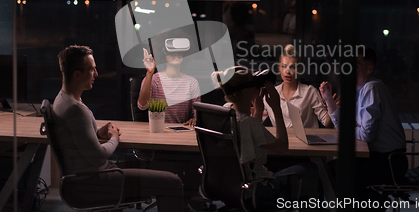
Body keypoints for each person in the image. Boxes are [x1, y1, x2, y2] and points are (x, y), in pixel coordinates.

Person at [52, 45, 183, 212]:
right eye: (92, 70)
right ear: (77, 74)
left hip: (88, 178)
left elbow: (78, 141)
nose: (96, 74)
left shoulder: (62, 100)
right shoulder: (76, 110)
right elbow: (99, 155)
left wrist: (98, 133)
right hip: (95, 182)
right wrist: (114, 137)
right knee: (173, 182)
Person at [213, 66, 323, 210]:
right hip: (258, 189)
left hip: (233, 185)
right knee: (312, 169)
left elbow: (250, 135)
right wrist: (277, 109)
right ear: (246, 90)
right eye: (253, 81)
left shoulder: (226, 111)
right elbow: (283, 146)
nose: (257, 84)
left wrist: (257, 110)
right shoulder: (248, 123)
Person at [319, 46, 407, 211]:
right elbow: (348, 129)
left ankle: (376, 204)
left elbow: (365, 135)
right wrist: (328, 100)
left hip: (390, 162)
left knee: (338, 175)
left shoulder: (372, 88)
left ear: (369, 69)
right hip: (378, 157)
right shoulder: (360, 90)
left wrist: (351, 128)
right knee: (328, 170)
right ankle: (374, 203)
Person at [263, 44, 333, 128]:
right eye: (284, 66)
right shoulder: (271, 93)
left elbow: (327, 123)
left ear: (299, 68)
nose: (288, 71)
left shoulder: (310, 92)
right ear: (279, 68)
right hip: (281, 141)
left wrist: (331, 104)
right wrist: (256, 112)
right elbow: (261, 124)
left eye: (292, 67)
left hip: (307, 140)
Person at [137, 42, 201, 126]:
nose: (176, 53)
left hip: (181, 132)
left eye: (179, 51)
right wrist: (149, 73)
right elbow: (142, 106)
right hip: (157, 130)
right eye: (170, 51)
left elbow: (197, 114)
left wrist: (194, 119)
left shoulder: (192, 83)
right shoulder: (153, 80)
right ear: (163, 54)